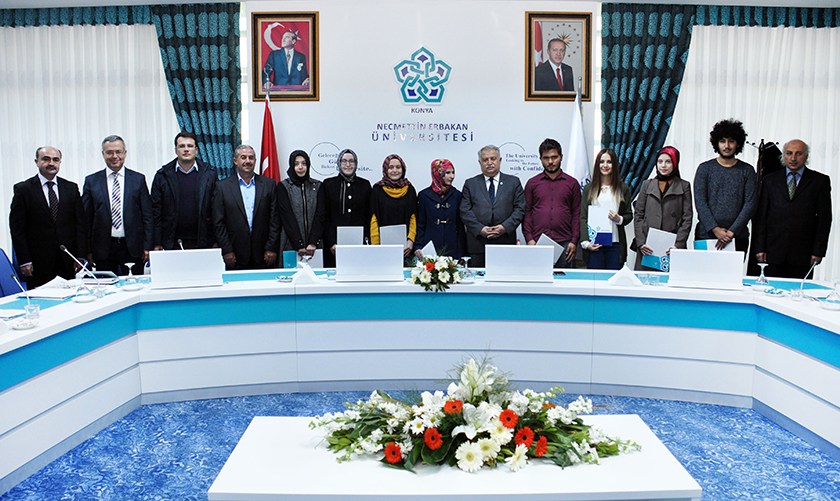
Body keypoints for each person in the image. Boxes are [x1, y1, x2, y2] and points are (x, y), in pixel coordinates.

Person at [753, 140, 832, 279]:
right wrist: (759, 247)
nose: (793, 158)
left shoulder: (820, 181)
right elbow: (761, 217)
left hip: (803, 254)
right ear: (784, 156)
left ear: (806, 157)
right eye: (789, 153)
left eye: (799, 154)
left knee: (798, 296)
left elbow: (824, 219)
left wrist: (818, 251)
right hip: (772, 252)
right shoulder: (769, 181)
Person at [9, 146, 86, 288]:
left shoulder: (70, 188)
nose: (51, 163)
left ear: (60, 162)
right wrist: (25, 261)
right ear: (36, 162)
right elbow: (17, 229)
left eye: (55, 160)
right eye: (46, 159)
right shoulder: (24, 189)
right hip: (37, 264)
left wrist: (80, 256)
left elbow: (80, 225)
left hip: (66, 261)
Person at [82, 135, 153, 276]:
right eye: (109, 152)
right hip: (103, 249)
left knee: (134, 288)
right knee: (106, 289)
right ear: (103, 154)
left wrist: (147, 246)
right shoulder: (92, 181)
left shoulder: (138, 180)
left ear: (125, 153)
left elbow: (147, 215)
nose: (114, 156)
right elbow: (86, 219)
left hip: (132, 247)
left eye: (118, 152)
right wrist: (88, 250)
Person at [693, 119, 757, 252]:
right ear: (716, 143)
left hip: (737, 237)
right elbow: (700, 202)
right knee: (704, 273)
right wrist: (715, 229)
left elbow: (750, 204)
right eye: (722, 141)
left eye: (731, 141)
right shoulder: (705, 169)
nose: (727, 146)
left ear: (738, 144)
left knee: (733, 273)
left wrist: (732, 232)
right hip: (706, 235)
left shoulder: (747, 171)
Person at [213, 145, 280, 270]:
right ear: (235, 161)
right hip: (234, 255)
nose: (247, 161)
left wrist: (271, 247)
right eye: (243, 157)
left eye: (251, 158)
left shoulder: (268, 184)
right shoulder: (222, 187)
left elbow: (274, 220)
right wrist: (226, 250)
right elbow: (218, 222)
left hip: (264, 255)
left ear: (255, 161)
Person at [460, 144, 525, 267]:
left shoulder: (513, 182)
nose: (489, 162)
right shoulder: (470, 184)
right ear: (480, 162)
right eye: (485, 160)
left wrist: (504, 227)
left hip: (505, 244)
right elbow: (465, 211)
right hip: (478, 246)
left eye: (493, 159)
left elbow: (520, 209)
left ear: (499, 160)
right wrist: (480, 229)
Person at [151, 131, 217, 250]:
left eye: (190, 146)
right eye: (181, 146)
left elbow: (217, 210)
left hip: (204, 242)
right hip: (171, 243)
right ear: (176, 150)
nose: (186, 149)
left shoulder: (209, 174)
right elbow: (156, 213)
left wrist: (216, 240)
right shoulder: (163, 176)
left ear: (196, 150)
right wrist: (157, 242)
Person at [633, 146, 693, 271]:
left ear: (675, 163)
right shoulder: (646, 185)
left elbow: (687, 218)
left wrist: (678, 244)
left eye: (668, 161)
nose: (663, 165)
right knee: (646, 283)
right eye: (660, 161)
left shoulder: (684, 186)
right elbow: (638, 215)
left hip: (671, 248)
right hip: (648, 246)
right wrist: (641, 242)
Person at [523, 138, 580, 268]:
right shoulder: (532, 183)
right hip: (538, 243)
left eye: (554, 157)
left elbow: (577, 213)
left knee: (565, 284)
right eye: (546, 158)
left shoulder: (572, 183)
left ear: (561, 157)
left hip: (565, 243)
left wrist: (574, 241)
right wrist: (529, 239)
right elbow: (527, 213)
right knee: (538, 284)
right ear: (540, 159)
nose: (550, 162)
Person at [580, 148, 633, 270]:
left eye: (609, 162)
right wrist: (586, 243)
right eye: (601, 161)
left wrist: (619, 219)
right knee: (595, 284)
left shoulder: (623, 188)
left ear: (614, 164)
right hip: (594, 244)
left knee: (613, 283)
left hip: (615, 245)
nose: (605, 165)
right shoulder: (589, 189)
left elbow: (629, 215)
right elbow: (583, 217)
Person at [319, 148, 372, 268]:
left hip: (359, 245)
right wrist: (331, 242)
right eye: (344, 161)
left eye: (351, 161)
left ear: (356, 163)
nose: (348, 164)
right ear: (339, 163)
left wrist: (366, 240)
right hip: (334, 247)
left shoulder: (365, 185)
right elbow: (324, 216)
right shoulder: (328, 184)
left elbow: (368, 215)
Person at [276, 150, 325, 266]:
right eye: (296, 164)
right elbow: (287, 217)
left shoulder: (318, 186)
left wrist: (313, 243)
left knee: (317, 280)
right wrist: (298, 244)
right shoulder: (284, 187)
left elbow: (321, 215)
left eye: (304, 163)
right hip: (290, 245)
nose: (300, 167)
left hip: (314, 247)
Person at [414, 159, 466, 259]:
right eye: (447, 173)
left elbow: (460, 227)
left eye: (453, 172)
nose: (452, 176)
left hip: (452, 246)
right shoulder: (424, 196)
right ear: (437, 173)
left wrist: (462, 254)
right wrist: (418, 246)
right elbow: (421, 223)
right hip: (429, 246)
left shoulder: (457, 195)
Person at [370, 154, 417, 259]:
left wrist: (410, 241)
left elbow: (413, 217)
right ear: (386, 169)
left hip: (406, 249)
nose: (395, 170)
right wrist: (376, 245)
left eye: (398, 167)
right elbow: (374, 218)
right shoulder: (377, 190)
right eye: (391, 167)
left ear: (403, 169)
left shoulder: (410, 190)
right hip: (382, 248)